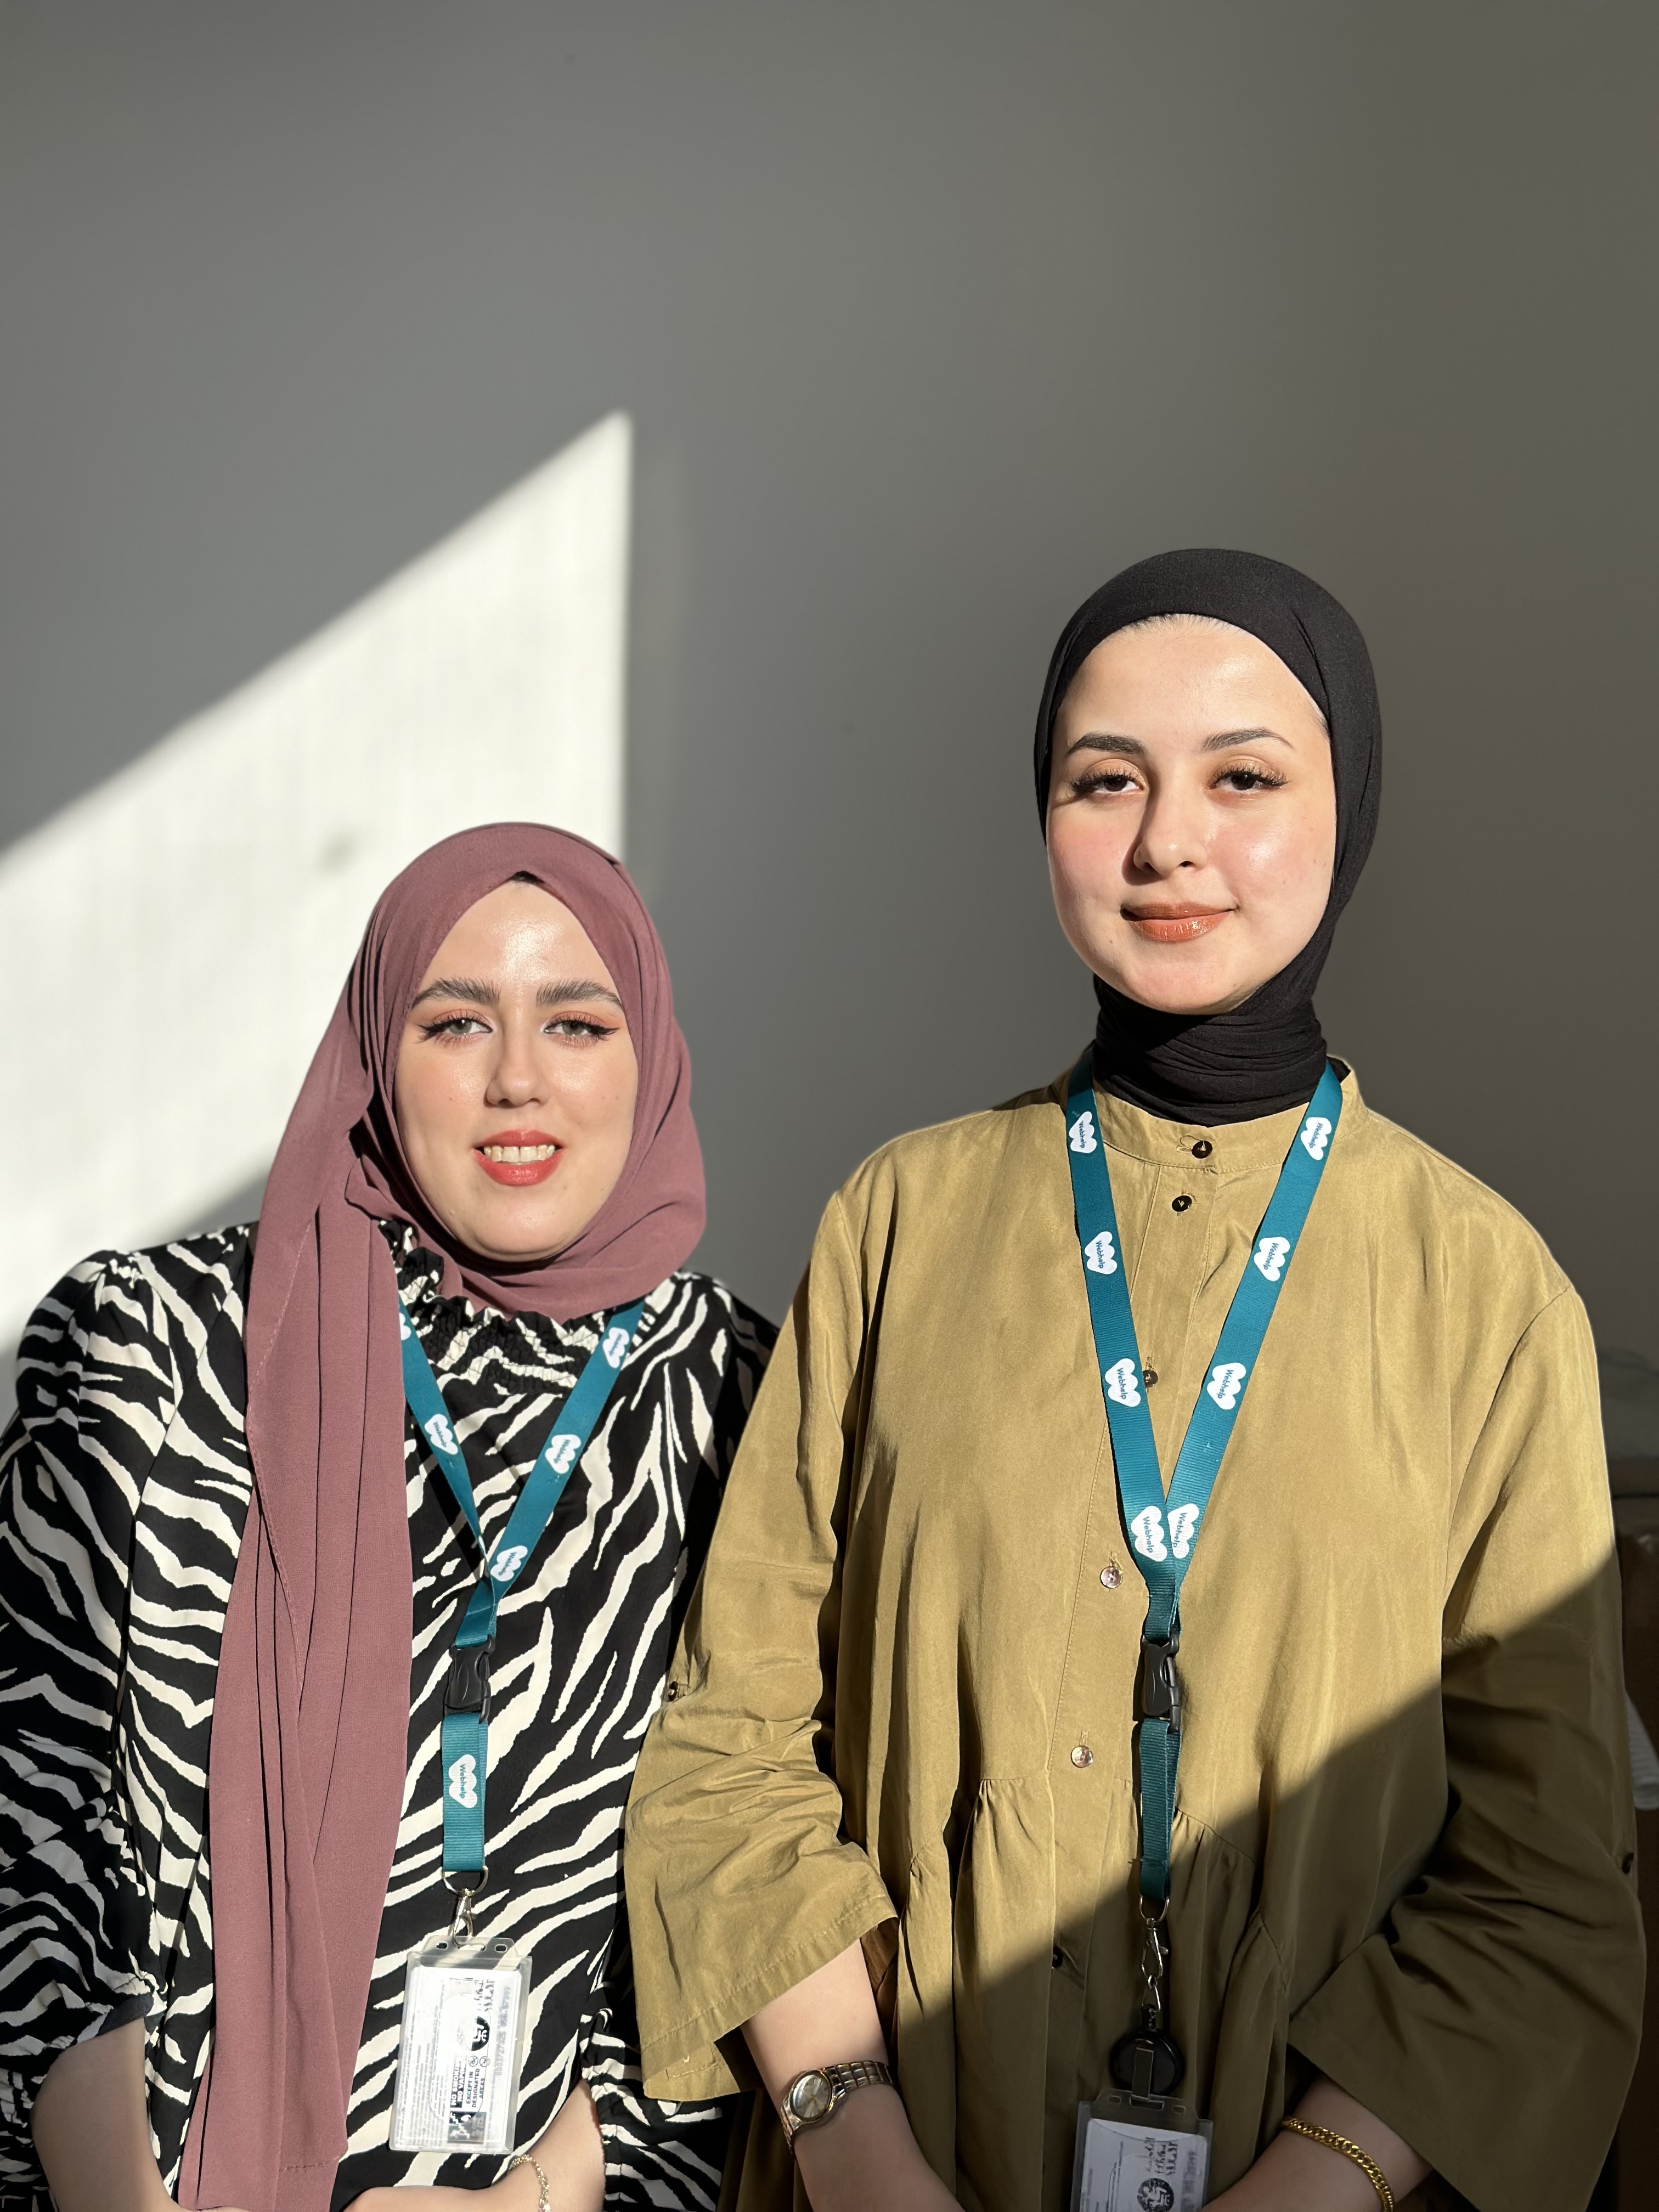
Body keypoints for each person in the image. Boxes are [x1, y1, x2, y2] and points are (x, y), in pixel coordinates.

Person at [623, 552, 1644, 2212]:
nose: (1168, 841)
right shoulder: (899, 1222)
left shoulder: (1485, 1288)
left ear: (1348, 810)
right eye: (1106, 780)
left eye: (1244, 778)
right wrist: (857, 2149)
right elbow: (731, 1738)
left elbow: (1544, 1880)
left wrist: (1312, 2184)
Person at [0, 824, 771, 2212]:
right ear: (376, 1053)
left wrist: (536, 2201)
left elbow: (737, 1864)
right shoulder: (155, 1344)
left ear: (650, 1054)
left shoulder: (735, 1394)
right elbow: (30, 1825)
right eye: (456, 1022)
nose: (518, 1077)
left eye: (577, 1023)